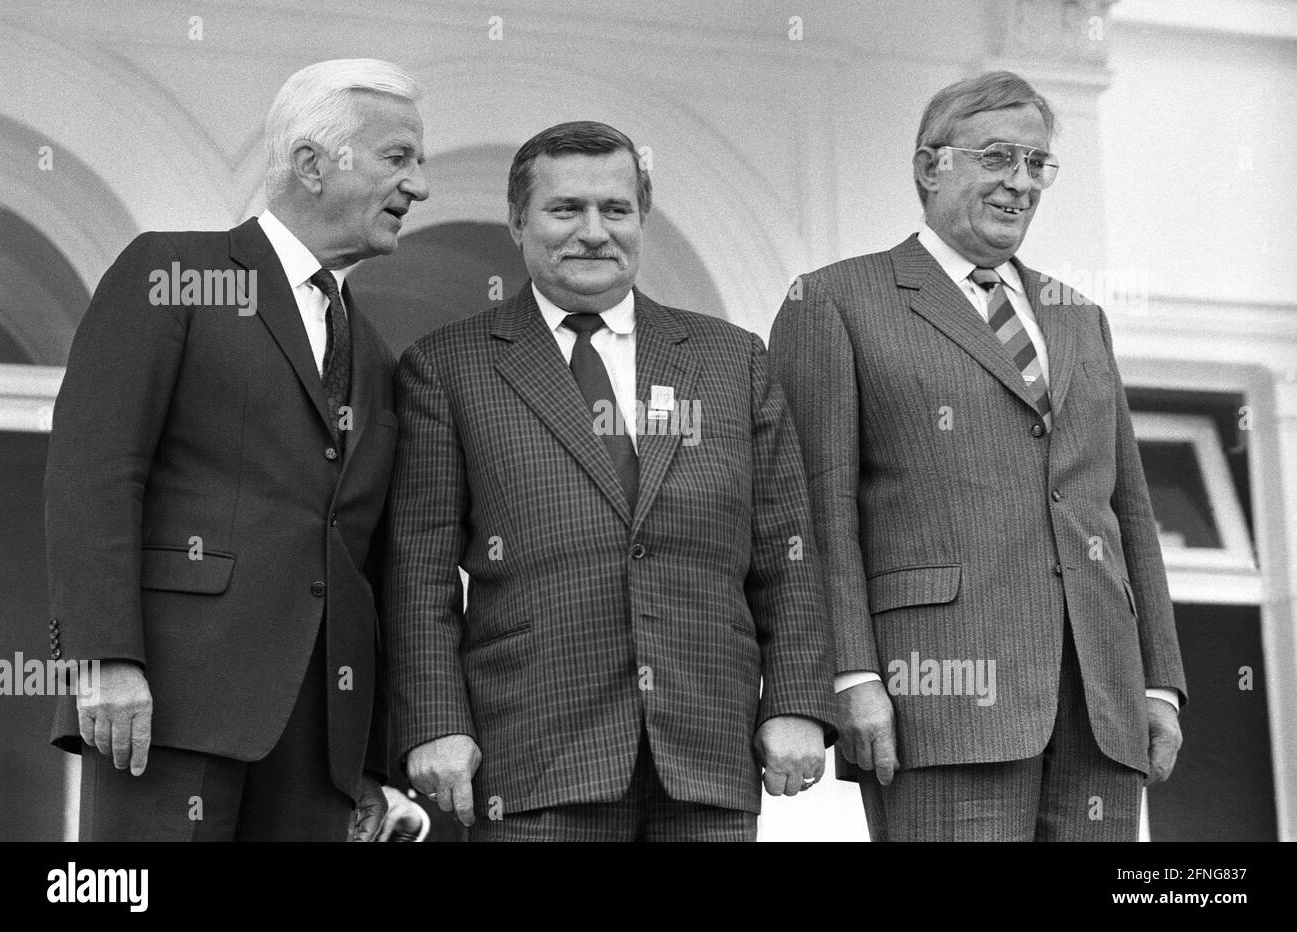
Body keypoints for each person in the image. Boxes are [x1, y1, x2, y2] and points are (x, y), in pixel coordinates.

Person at [386, 120, 835, 842]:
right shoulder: (448, 368)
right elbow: (418, 573)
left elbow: (788, 550)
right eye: (566, 209)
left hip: (707, 756)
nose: (594, 231)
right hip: (532, 759)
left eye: (616, 209)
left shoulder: (732, 361)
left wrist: (795, 702)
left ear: (640, 219)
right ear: (518, 222)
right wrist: (435, 723)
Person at [768, 71, 1187, 841]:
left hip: (1101, 704)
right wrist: (852, 677)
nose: (1020, 182)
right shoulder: (834, 301)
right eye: (997, 158)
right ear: (932, 167)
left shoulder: (1079, 316)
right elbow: (815, 513)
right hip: (939, 697)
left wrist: (1160, 678)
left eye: (1036, 164)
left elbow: (1127, 507)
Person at [44, 58, 429, 841]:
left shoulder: (380, 356)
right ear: (312, 165)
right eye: (399, 158)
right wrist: (105, 656)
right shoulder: (174, 273)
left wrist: (377, 761)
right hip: (170, 708)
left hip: (321, 742)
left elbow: (373, 557)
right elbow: (96, 471)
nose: (420, 186)